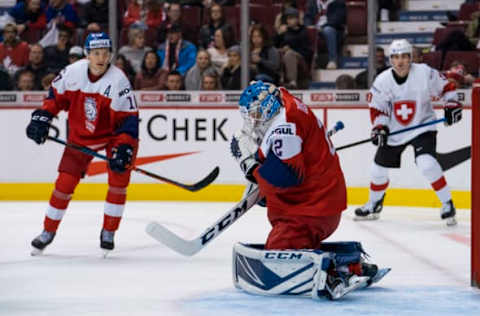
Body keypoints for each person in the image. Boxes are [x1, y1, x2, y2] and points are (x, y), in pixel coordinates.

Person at [230, 80, 383, 299]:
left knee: (277, 255)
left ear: (267, 109)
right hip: (319, 203)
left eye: (254, 114)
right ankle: (350, 260)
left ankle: (341, 272)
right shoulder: (285, 100)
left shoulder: (285, 127)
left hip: (309, 212)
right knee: (285, 248)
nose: (252, 121)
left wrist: (250, 165)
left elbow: (286, 179)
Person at [26, 32, 139, 255]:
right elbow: (54, 98)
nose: (101, 58)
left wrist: (124, 147)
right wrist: (43, 117)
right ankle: (48, 231)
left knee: (119, 180)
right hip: (80, 137)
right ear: (87, 54)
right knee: (64, 184)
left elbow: (129, 119)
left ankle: (109, 232)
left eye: (105, 53)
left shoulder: (119, 80)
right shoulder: (73, 72)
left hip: (113, 136)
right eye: (96, 53)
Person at [355, 39, 462, 226]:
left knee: (427, 164)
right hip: (395, 131)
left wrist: (452, 103)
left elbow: (447, 87)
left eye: (404, 56)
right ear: (390, 60)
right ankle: (374, 203)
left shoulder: (424, 73)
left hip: (422, 126)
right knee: (377, 170)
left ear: (410, 58)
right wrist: (380, 128)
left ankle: (447, 203)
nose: (400, 61)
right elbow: (378, 110)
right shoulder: (382, 81)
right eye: (396, 57)